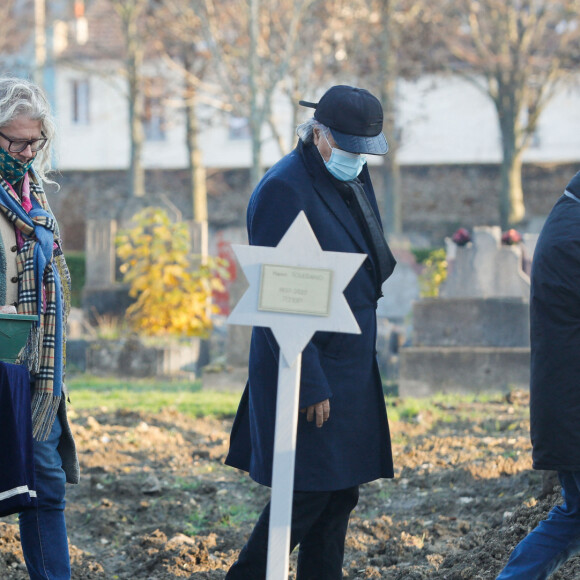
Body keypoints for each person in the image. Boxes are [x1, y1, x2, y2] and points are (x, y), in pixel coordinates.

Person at [224, 85, 397, 579]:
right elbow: (280, 296)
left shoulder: (350, 174)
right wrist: (309, 382)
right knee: (309, 490)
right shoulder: (285, 188)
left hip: (350, 358)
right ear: (318, 134)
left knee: (340, 491)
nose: (357, 159)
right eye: (348, 148)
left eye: (365, 150)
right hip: (306, 363)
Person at [0, 76, 78, 579]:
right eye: (16, 141)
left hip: (37, 372)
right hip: (2, 363)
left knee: (45, 487)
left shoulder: (34, 200)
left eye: (36, 141)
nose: (28, 152)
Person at [496, 171, 580, 579]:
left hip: (569, 407)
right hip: (574, 408)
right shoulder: (572, 239)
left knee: (573, 518)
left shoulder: (570, 223)